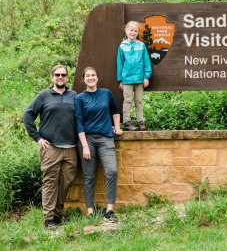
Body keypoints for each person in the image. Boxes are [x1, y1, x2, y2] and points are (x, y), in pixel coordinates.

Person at [23, 65, 78, 230]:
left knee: (66, 182)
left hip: (71, 147)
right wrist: (37, 138)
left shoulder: (74, 96)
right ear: (52, 77)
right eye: (57, 74)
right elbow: (28, 114)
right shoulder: (44, 95)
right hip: (51, 148)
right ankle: (48, 218)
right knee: (50, 183)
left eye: (63, 75)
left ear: (67, 77)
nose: (60, 77)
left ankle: (58, 214)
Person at [74, 67, 122, 220]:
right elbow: (79, 122)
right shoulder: (80, 98)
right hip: (87, 140)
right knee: (89, 176)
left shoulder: (106, 93)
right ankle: (90, 211)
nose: (90, 78)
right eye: (87, 76)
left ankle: (109, 211)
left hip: (106, 138)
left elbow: (115, 110)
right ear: (83, 79)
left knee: (112, 171)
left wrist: (118, 127)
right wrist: (85, 146)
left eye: (93, 75)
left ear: (97, 78)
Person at [116, 21, 152, 131]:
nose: (133, 32)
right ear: (126, 31)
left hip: (139, 78)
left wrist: (146, 77)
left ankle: (140, 121)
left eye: (135, 31)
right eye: (131, 30)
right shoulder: (122, 47)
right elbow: (120, 63)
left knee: (138, 100)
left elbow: (146, 62)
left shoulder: (141, 46)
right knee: (127, 100)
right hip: (126, 79)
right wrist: (120, 80)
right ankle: (127, 122)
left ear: (138, 33)